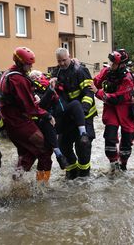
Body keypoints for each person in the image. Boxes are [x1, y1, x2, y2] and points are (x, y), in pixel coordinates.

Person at [0, 47, 55, 185]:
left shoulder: (7, 74)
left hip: (11, 123)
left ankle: (15, 183)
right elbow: (29, 107)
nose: (30, 67)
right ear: (19, 62)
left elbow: (18, 100)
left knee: (27, 152)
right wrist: (46, 115)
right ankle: (41, 186)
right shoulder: (18, 79)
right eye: (28, 64)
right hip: (19, 122)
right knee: (46, 149)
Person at [50, 47, 97, 179]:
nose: (62, 63)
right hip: (67, 116)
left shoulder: (81, 71)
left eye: (64, 60)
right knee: (63, 144)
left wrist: (83, 110)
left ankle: (84, 174)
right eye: (59, 61)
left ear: (69, 57)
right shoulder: (56, 72)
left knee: (83, 145)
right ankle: (71, 171)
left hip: (84, 115)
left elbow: (89, 92)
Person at [90, 49, 134, 172]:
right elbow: (95, 82)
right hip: (111, 110)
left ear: (121, 64)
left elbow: (116, 98)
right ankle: (113, 165)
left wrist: (97, 92)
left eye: (113, 63)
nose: (110, 65)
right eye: (110, 62)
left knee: (127, 143)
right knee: (110, 139)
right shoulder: (107, 71)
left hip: (125, 109)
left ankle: (123, 165)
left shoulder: (127, 78)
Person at [29, 70, 68, 170]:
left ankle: (43, 182)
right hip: (41, 121)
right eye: (33, 78)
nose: (37, 79)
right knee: (43, 154)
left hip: (56, 119)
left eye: (38, 76)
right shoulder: (32, 90)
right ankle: (59, 154)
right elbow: (41, 105)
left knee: (46, 155)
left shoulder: (51, 84)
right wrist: (50, 90)